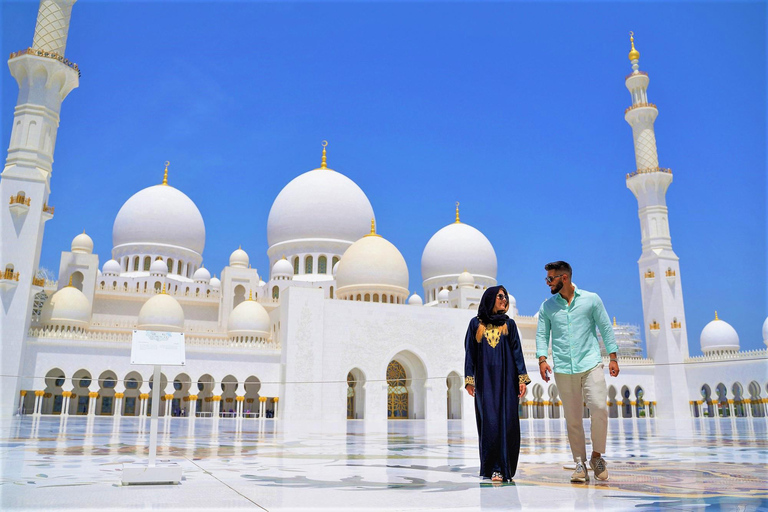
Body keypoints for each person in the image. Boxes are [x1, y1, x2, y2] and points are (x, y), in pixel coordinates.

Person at [535, 261, 619, 483]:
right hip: (563, 367)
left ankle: (596, 456)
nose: (547, 283)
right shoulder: (547, 307)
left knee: (599, 408)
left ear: (564, 278)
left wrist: (613, 356)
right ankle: (579, 463)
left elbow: (605, 328)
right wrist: (542, 359)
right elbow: (542, 335)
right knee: (573, 418)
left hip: (591, 363)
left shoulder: (591, 299)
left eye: (550, 279)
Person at [465, 285, 530, 482]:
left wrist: (522, 378)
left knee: (508, 423)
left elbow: (517, 352)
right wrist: (469, 379)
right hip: (486, 383)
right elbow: (470, 353)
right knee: (490, 423)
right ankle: (493, 468)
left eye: (506, 297)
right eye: (501, 296)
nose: (504, 300)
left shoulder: (508, 325)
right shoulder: (476, 325)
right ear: (490, 297)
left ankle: (505, 467)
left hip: (507, 382)